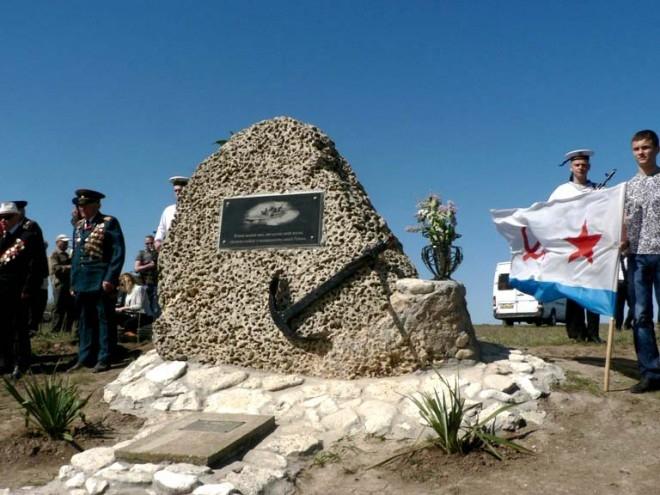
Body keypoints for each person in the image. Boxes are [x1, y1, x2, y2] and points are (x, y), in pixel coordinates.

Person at [68, 189, 125, 373]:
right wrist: (73, 282)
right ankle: (85, 357)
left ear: (96, 205)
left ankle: (104, 357)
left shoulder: (109, 222)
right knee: (85, 320)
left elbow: (118, 252)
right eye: (80, 205)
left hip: (100, 280)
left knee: (104, 320)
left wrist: (110, 277)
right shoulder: (78, 226)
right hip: (82, 281)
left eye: (85, 205)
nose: (82, 208)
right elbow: (76, 256)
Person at [549, 149, 601, 343]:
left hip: (593, 242)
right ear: (571, 166)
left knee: (594, 286)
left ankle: (594, 332)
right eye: (577, 164)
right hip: (571, 243)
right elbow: (550, 214)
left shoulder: (598, 189)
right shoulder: (561, 191)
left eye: (584, 164)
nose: (581, 167)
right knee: (575, 287)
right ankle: (576, 331)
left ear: (589, 166)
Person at [622, 130, 660, 393]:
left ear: (656, 149)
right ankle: (651, 372)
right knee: (641, 315)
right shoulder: (627, 187)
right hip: (636, 256)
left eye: (645, 147)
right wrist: (621, 241)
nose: (641, 153)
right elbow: (622, 221)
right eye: (636, 149)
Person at [0, 202, 45, 379]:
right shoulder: (4, 236)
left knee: (19, 327)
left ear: (17, 216)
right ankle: (5, 361)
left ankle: (21, 363)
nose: (4, 220)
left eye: (8, 217)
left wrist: (29, 288)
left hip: (20, 288)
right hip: (2, 288)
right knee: (3, 326)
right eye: (1, 217)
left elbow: (35, 263)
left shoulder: (28, 233)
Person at [154, 176, 189, 250]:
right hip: (170, 247)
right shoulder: (168, 210)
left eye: (180, 190)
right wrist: (158, 240)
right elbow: (161, 228)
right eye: (175, 191)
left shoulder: (191, 208)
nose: (177, 193)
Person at [50, 234, 75, 333]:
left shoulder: (68, 255)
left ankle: (67, 331)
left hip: (69, 285)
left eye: (66, 242)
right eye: (63, 241)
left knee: (70, 308)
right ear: (57, 242)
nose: (66, 243)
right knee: (58, 308)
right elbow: (56, 268)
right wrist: (69, 267)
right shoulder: (54, 254)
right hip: (59, 284)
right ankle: (55, 331)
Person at [115, 273, 153, 337]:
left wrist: (123, 308)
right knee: (115, 316)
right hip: (132, 315)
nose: (121, 286)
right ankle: (127, 334)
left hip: (144, 315)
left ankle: (133, 337)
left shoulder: (139, 289)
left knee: (128, 323)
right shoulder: (128, 292)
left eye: (122, 284)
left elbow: (139, 306)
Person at [134, 234, 160, 317]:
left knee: (156, 308)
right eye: (147, 243)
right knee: (145, 308)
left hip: (157, 284)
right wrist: (149, 265)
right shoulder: (141, 254)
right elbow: (136, 269)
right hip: (145, 284)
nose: (149, 245)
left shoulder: (158, 253)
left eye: (151, 243)